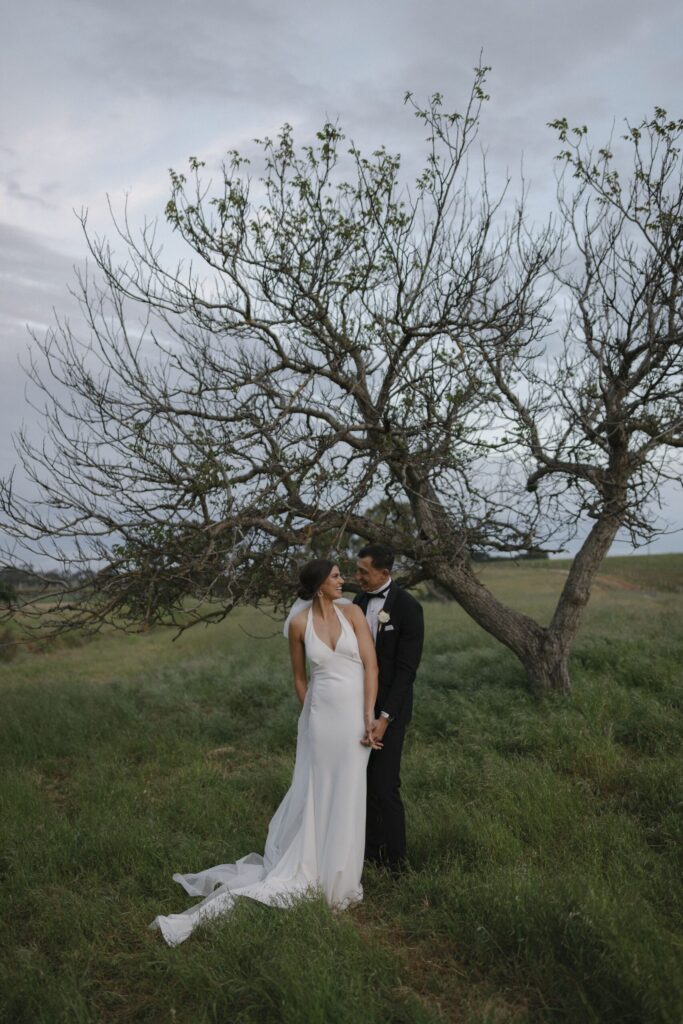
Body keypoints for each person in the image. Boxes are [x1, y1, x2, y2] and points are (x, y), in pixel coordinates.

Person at [149, 559, 381, 945]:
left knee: (350, 792)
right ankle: (313, 869)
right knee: (318, 793)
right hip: (321, 720)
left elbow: (371, 667)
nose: (344, 581)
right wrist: (310, 714)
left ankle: (341, 879)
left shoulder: (354, 612)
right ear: (319, 584)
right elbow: (299, 677)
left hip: (355, 720)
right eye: (337, 576)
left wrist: (369, 715)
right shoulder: (298, 624)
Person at [354, 543, 424, 876]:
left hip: (389, 714)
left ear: (384, 572)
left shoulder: (408, 607)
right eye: (356, 570)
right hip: (356, 710)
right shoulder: (358, 601)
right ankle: (369, 854)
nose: (358, 577)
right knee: (362, 786)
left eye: (363, 572)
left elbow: (406, 672)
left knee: (385, 785)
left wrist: (384, 718)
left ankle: (398, 864)